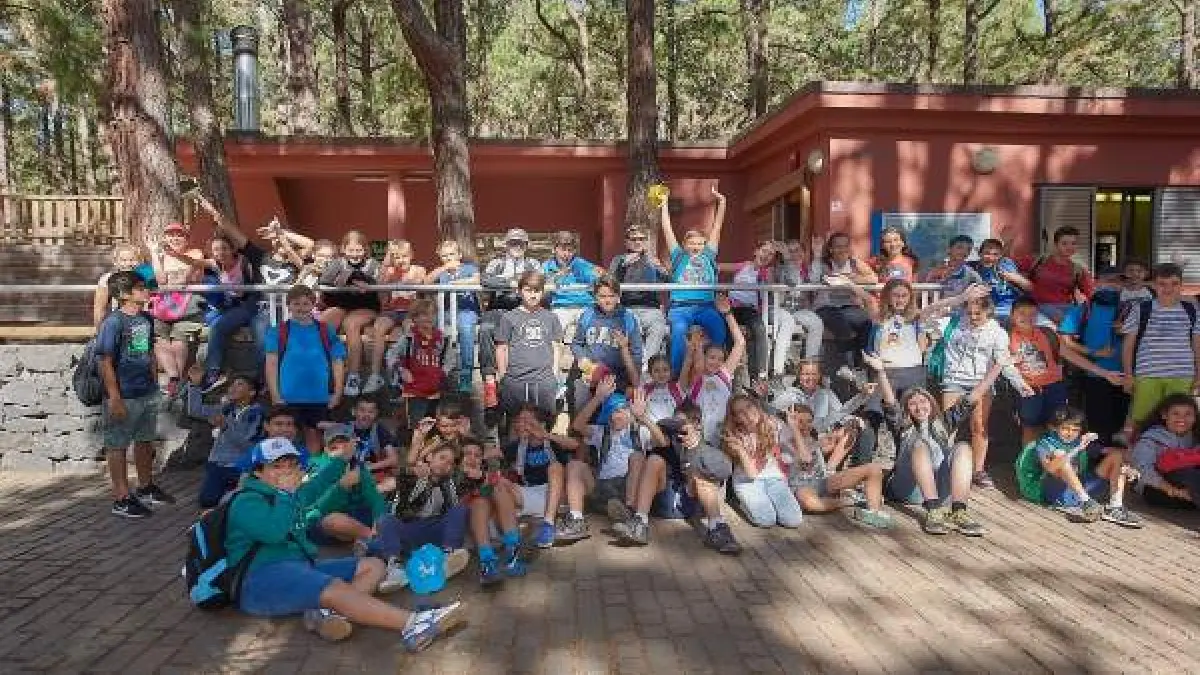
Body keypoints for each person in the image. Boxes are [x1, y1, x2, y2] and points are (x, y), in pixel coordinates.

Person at [226, 437, 463, 651]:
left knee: (372, 565)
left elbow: (318, 485)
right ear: (258, 472)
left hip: (299, 566)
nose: (286, 471)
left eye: (290, 465)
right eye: (276, 466)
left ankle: (326, 613)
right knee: (334, 587)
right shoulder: (246, 501)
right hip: (259, 581)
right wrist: (288, 495)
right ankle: (412, 624)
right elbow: (275, 533)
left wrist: (343, 460)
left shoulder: (287, 494)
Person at [864, 352, 997, 536]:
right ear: (907, 409)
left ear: (931, 403)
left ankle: (959, 510)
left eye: (923, 401)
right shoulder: (902, 424)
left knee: (963, 447)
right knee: (919, 445)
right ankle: (933, 511)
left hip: (940, 487)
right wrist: (881, 372)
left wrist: (998, 367)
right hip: (908, 488)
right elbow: (890, 402)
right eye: (912, 404)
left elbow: (972, 397)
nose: (919, 407)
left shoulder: (943, 422)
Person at [829, 278, 991, 402]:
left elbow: (937, 306)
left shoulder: (915, 317)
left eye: (904, 295)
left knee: (911, 417)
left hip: (913, 374)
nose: (900, 299)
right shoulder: (879, 318)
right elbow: (868, 299)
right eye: (896, 295)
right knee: (878, 416)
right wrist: (848, 283)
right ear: (887, 297)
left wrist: (962, 297)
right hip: (885, 374)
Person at [96, 271, 175, 517]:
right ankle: (121, 497)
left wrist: (154, 381)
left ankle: (145, 487)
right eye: (140, 287)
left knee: (145, 439)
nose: (146, 290)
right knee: (117, 445)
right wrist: (115, 397)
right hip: (124, 393)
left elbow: (148, 352)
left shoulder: (147, 319)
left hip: (146, 392)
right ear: (123, 294)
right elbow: (105, 361)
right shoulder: (113, 322)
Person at [939, 295, 1034, 488]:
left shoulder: (997, 333)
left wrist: (1020, 384)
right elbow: (927, 317)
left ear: (988, 312)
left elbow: (1003, 362)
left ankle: (977, 470)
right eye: (970, 313)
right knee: (948, 425)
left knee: (979, 426)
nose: (973, 317)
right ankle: (943, 467)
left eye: (978, 314)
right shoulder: (955, 323)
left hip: (981, 382)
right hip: (954, 379)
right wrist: (960, 297)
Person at [561, 377, 669, 543]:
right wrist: (597, 398)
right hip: (602, 486)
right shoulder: (601, 431)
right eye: (613, 411)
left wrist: (644, 417)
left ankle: (634, 518)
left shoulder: (639, 431)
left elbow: (662, 442)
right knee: (574, 465)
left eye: (621, 411)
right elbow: (577, 426)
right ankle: (576, 520)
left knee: (638, 456)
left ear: (630, 412)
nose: (617, 416)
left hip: (629, 487)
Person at [1008, 297, 1123, 445]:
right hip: (1028, 389)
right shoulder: (1006, 337)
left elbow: (1071, 355)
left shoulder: (1048, 334)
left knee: (1056, 427)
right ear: (1012, 315)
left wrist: (1105, 373)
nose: (1027, 318)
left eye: (1032, 314)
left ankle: (1052, 465)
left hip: (1055, 387)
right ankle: (1028, 466)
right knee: (1030, 428)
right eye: (1021, 313)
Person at [193, 195, 270, 392]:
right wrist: (214, 214)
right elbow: (233, 233)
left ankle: (263, 380)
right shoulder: (257, 255)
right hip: (248, 305)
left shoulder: (251, 260)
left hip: (263, 307)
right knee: (218, 327)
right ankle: (213, 372)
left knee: (262, 337)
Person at [367, 442, 473, 578]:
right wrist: (419, 478)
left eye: (450, 463)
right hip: (409, 529)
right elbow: (402, 507)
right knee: (386, 521)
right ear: (429, 457)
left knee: (459, 509)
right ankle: (394, 566)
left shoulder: (449, 483)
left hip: (433, 531)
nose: (445, 464)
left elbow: (452, 513)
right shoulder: (413, 475)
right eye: (442, 458)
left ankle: (448, 555)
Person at [264, 284, 347, 456]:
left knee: (314, 436)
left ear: (313, 305)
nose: (301, 308)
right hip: (288, 395)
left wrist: (338, 392)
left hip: (318, 396)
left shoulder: (326, 330)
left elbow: (337, 361)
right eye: (296, 304)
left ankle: (312, 475)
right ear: (289, 305)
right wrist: (275, 395)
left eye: (305, 304)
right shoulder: (278, 331)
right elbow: (271, 364)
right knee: (283, 436)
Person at [1120, 263, 1200, 436]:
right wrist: (1128, 375)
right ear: (1154, 285)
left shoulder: (1192, 310)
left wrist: (1199, 374)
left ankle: (1176, 459)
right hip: (1147, 374)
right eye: (1162, 284)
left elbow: (1197, 344)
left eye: (1174, 283)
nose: (1168, 288)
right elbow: (1128, 345)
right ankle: (1140, 459)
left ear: (1181, 285)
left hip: (1182, 374)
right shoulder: (1141, 309)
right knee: (1142, 421)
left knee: (1181, 422)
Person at [784, 403, 892, 528]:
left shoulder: (813, 439)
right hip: (801, 488)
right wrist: (795, 429)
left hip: (823, 482)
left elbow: (839, 414)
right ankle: (853, 501)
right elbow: (805, 458)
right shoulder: (784, 442)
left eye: (809, 421)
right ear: (790, 423)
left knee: (874, 469)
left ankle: (873, 512)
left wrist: (861, 400)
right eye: (800, 422)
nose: (805, 426)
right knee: (810, 503)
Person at [1032, 407, 1141, 527]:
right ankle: (1086, 502)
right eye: (1065, 428)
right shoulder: (1045, 444)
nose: (1070, 433)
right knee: (1061, 457)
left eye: (1075, 430)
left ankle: (1115, 508)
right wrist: (1077, 448)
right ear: (1054, 427)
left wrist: (1130, 469)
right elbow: (1050, 468)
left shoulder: (1080, 441)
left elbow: (1115, 452)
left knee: (1116, 456)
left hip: (1084, 487)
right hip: (1059, 493)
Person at [661, 185, 728, 377]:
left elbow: (717, 227)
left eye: (700, 243)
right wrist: (664, 203)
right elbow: (667, 228)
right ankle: (675, 373)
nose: (696, 246)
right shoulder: (678, 256)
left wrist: (721, 202)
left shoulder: (709, 255)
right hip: (680, 307)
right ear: (685, 245)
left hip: (705, 306)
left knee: (718, 327)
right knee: (679, 332)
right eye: (692, 243)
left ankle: (717, 370)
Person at [766, 359, 876, 468]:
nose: (810, 378)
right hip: (798, 442)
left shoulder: (825, 394)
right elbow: (770, 411)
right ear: (799, 376)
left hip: (821, 440)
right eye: (805, 374)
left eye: (814, 374)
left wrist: (861, 398)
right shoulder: (789, 395)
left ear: (819, 376)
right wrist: (762, 397)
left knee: (851, 430)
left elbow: (841, 412)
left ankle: (828, 470)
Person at [183, 365, 264, 508]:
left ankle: (234, 494)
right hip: (217, 464)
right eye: (231, 384)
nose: (232, 387)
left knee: (235, 503)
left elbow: (248, 446)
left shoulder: (258, 415)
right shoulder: (226, 409)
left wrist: (226, 427)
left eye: (239, 384)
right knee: (207, 501)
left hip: (241, 467)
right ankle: (228, 493)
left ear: (252, 392)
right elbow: (195, 411)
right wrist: (195, 384)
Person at [479, 228, 543, 409]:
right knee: (485, 330)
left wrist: (518, 284)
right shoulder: (496, 263)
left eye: (520, 243)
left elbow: (538, 282)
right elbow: (485, 280)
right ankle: (490, 381)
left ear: (526, 245)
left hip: (523, 308)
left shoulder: (533, 263)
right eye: (513, 242)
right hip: (498, 307)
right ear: (506, 244)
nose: (516, 246)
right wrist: (511, 283)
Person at [498, 405, 577, 548]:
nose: (521, 425)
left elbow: (574, 445)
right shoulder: (517, 446)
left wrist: (545, 434)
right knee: (500, 483)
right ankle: (510, 538)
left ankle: (548, 524)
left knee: (555, 467)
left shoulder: (553, 442)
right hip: (530, 494)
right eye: (519, 420)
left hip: (557, 494)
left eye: (526, 420)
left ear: (541, 423)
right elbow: (491, 453)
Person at [1058, 287, 1129, 445]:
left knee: (1121, 419)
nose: (1109, 285)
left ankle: (1112, 458)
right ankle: (1099, 457)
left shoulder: (1128, 309)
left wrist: (1125, 331)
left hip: (1125, 373)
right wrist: (1094, 352)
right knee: (1098, 422)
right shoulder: (1083, 310)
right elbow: (1064, 341)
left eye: (1113, 282)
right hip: (1094, 375)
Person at [723, 394, 805, 528]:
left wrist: (794, 427)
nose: (748, 413)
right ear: (736, 418)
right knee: (766, 520)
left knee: (793, 521)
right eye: (740, 412)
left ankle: (769, 503)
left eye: (749, 407)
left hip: (774, 479)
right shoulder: (735, 435)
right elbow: (752, 474)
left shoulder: (773, 424)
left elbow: (804, 457)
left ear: (756, 406)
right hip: (747, 482)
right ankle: (742, 503)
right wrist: (742, 451)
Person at [495, 271, 564, 429]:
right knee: (514, 425)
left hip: (544, 379)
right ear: (519, 291)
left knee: (545, 424)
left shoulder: (551, 317)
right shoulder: (509, 317)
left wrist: (554, 374)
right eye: (528, 290)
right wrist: (503, 376)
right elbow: (502, 348)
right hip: (515, 380)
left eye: (537, 291)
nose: (532, 295)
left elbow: (556, 346)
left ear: (542, 292)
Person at [669, 403, 741, 553]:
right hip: (678, 498)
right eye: (676, 424)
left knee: (702, 480)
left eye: (683, 424)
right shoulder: (675, 441)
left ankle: (717, 529)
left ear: (698, 425)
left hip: (700, 501)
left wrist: (696, 445)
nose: (680, 429)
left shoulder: (707, 448)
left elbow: (725, 470)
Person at [145, 223, 206, 398]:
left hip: (189, 306)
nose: (175, 238)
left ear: (187, 238)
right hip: (165, 306)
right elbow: (161, 280)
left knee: (179, 339)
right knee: (157, 337)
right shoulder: (162, 257)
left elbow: (189, 278)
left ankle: (176, 383)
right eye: (170, 235)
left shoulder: (195, 253)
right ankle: (174, 378)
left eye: (179, 235)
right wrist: (154, 254)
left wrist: (175, 265)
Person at [305, 425, 392, 548]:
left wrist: (378, 523)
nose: (341, 451)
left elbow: (376, 500)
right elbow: (319, 508)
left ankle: (369, 539)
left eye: (346, 446)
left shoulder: (358, 467)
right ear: (326, 449)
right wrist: (342, 487)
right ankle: (374, 540)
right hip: (324, 521)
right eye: (334, 447)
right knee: (333, 521)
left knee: (384, 514)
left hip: (355, 517)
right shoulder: (316, 465)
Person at [318, 231, 382, 396]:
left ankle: (353, 376)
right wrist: (352, 278)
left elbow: (376, 282)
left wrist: (352, 277)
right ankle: (319, 371)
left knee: (351, 324)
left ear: (365, 250)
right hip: (341, 305)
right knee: (322, 324)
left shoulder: (373, 264)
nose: (355, 254)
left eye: (358, 250)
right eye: (351, 250)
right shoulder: (337, 263)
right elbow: (324, 280)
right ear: (344, 249)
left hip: (366, 306)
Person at [679, 294, 746, 444]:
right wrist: (698, 346)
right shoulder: (696, 377)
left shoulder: (724, 375)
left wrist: (728, 314)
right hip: (700, 440)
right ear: (704, 355)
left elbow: (740, 343)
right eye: (712, 357)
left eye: (720, 359)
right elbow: (698, 365)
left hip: (725, 437)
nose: (716, 362)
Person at [569, 275, 643, 412]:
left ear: (618, 296)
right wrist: (583, 359)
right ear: (595, 296)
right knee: (580, 398)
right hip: (590, 376)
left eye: (612, 296)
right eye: (602, 296)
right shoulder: (587, 315)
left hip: (619, 380)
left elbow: (637, 354)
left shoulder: (628, 318)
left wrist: (633, 382)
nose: (607, 300)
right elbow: (576, 343)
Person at [363, 239, 427, 395]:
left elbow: (417, 280)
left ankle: (404, 372)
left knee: (408, 330)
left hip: (410, 311)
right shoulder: (389, 271)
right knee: (379, 327)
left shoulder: (418, 269)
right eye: (397, 257)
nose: (401, 260)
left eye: (404, 256)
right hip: (391, 310)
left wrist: (398, 278)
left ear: (411, 255)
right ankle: (375, 375)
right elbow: (380, 288)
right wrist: (387, 270)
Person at [810, 232, 878, 371]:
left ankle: (863, 362)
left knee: (866, 322)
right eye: (838, 246)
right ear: (831, 249)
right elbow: (814, 278)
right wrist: (816, 256)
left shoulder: (854, 263)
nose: (842, 249)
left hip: (849, 306)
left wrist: (847, 279)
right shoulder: (824, 263)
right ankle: (847, 365)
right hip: (826, 306)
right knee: (842, 325)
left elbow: (873, 278)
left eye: (845, 246)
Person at [608, 225, 671, 371]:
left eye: (642, 239)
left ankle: (645, 367)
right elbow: (609, 282)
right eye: (634, 239)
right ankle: (636, 365)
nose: (638, 242)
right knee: (632, 328)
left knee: (659, 327)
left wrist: (660, 268)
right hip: (627, 308)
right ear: (626, 242)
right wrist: (622, 266)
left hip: (651, 308)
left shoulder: (652, 260)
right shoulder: (619, 260)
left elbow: (668, 281)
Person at [723, 240, 786, 382]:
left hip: (749, 309)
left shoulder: (767, 272)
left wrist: (779, 259)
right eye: (764, 251)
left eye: (770, 254)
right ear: (756, 251)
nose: (766, 256)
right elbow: (719, 267)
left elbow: (770, 282)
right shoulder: (744, 266)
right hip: (732, 306)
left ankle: (760, 373)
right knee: (727, 328)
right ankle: (728, 367)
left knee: (759, 329)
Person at [426, 239, 481, 393]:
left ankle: (466, 373)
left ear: (459, 255)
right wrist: (443, 268)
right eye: (445, 256)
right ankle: (432, 370)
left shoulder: (469, 268)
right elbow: (426, 281)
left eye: (452, 254)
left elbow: (476, 279)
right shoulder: (441, 271)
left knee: (465, 329)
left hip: (466, 310)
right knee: (428, 327)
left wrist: (454, 283)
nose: (449, 258)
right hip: (445, 312)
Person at [385, 299, 448, 428]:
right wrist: (401, 369)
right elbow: (391, 355)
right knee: (416, 429)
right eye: (424, 314)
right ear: (415, 318)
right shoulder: (408, 338)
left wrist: (442, 373)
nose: (429, 318)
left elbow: (450, 359)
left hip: (436, 392)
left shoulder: (442, 339)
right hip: (414, 392)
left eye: (432, 314)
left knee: (435, 431)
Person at [1131, 393, 1200, 508]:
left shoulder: (1194, 436)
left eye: (1188, 414)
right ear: (1164, 415)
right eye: (1175, 414)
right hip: (1158, 488)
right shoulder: (1151, 438)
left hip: (1189, 488)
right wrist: (1171, 489)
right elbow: (1141, 469)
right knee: (1186, 473)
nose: (1182, 419)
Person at [1018, 226, 1095, 324]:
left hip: (1065, 308)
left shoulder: (1078, 269)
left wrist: (1087, 312)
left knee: (1070, 326)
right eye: (1064, 243)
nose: (1069, 247)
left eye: (1074, 243)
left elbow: (1090, 293)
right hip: (1039, 308)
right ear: (1056, 244)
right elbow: (1008, 263)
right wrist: (1019, 279)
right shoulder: (1038, 260)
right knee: (1061, 328)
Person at [543, 230, 603, 351]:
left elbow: (600, 278)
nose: (566, 254)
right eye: (562, 249)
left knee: (593, 330)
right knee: (552, 333)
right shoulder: (547, 266)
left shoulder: (580, 264)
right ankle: (553, 367)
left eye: (570, 250)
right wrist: (558, 276)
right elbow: (542, 286)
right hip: (561, 307)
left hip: (584, 305)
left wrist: (598, 273)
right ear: (554, 249)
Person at [776, 239, 825, 368]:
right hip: (781, 309)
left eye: (797, 250)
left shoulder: (807, 269)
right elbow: (791, 280)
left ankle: (810, 366)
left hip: (799, 310)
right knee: (788, 323)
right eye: (789, 251)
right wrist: (787, 259)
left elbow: (815, 280)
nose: (793, 254)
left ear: (803, 253)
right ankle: (778, 371)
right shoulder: (780, 269)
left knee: (816, 322)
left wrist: (817, 255)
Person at [344, 398, 402, 494]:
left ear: (376, 413)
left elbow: (393, 459)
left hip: (372, 474)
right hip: (349, 473)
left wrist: (369, 467)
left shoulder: (379, 430)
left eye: (371, 411)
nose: (366, 415)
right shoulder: (345, 429)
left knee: (392, 482)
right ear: (353, 411)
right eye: (362, 410)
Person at [94, 244, 158, 328]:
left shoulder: (144, 278)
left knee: (140, 341)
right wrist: (99, 332)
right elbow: (100, 309)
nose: (128, 263)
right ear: (115, 262)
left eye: (132, 259)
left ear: (139, 261)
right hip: (119, 323)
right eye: (123, 260)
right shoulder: (107, 279)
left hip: (140, 323)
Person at [971, 238, 1030, 324]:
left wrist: (1014, 277)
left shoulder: (1005, 264)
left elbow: (1029, 287)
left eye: (995, 254)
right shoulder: (973, 268)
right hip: (990, 312)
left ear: (1000, 256)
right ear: (979, 253)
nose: (990, 258)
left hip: (1014, 309)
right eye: (987, 253)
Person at [924, 235, 984, 300]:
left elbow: (981, 296)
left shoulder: (972, 275)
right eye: (959, 247)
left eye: (968, 249)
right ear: (949, 249)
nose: (964, 252)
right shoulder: (936, 270)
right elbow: (926, 293)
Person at [641, 354, 685, 424]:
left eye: (665, 370)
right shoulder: (644, 391)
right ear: (650, 373)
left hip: (673, 430)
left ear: (671, 371)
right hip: (651, 430)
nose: (661, 374)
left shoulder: (678, 388)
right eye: (656, 371)